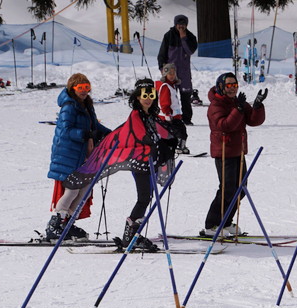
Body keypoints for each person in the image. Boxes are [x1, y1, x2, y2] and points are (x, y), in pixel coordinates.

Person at [45, 73, 110, 241]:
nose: (84, 91)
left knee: (85, 191)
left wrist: (110, 135)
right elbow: (65, 130)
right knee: (72, 190)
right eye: (80, 88)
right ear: (72, 88)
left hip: (83, 155)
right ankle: (55, 224)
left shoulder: (86, 105)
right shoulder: (69, 106)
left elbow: (94, 125)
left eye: (87, 88)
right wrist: (85, 134)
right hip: (68, 154)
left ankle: (67, 222)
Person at [203, 73, 266, 237]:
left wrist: (257, 106)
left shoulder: (236, 102)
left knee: (241, 190)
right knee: (227, 189)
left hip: (238, 151)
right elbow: (225, 125)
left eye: (235, 85)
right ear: (221, 86)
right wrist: (238, 109)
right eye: (229, 85)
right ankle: (212, 225)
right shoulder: (216, 105)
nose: (233, 88)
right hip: (224, 152)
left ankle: (225, 222)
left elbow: (254, 121)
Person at [120, 78, 180, 252]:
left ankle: (134, 233)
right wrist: (157, 144)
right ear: (137, 97)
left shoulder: (151, 115)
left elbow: (159, 134)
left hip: (149, 162)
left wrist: (170, 140)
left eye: (151, 94)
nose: (148, 98)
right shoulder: (136, 115)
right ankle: (130, 235)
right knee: (144, 197)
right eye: (144, 95)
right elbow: (141, 136)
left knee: (147, 197)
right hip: (139, 162)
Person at [157, 14, 198, 125]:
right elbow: (162, 54)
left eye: (183, 24)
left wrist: (183, 37)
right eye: (179, 24)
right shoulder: (168, 36)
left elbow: (190, 51)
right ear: (175, 24)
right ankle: (169, 116)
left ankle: (186, 119)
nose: (181, 27)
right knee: (168, 94)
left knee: (186, 95)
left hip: (184, 71)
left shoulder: (191, 37)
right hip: (170, 71)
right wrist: (162, 68)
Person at [156, 63, 189, 154]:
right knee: (178, 132)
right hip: (169, 116)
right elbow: (164, 102)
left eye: (173, 73)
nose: (172, 75)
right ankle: (177, 146)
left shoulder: (172, 86)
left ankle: (181, 145)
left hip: (175, 115)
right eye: (170, 73)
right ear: (165, 74)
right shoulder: (166, 86)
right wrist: (167, 113)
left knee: (182, 130)